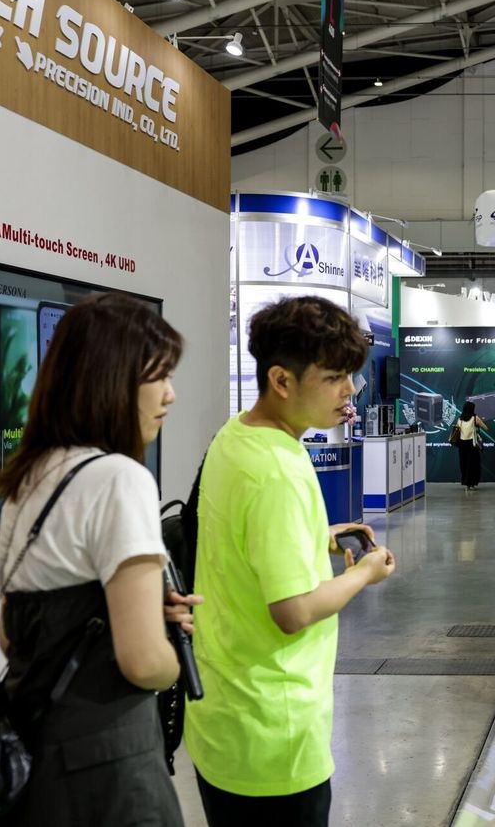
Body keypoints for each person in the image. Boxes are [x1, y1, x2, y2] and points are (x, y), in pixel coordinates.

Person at [185, 295, 396, 826]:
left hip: (223, 720)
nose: (349, 390)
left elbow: (242, 542)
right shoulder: (279, 469)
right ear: (281, 380)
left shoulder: (235, 437)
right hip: (274, 736)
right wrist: (364, 574)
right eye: (333, 377)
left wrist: (316, 535)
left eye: (350, 375)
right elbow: (292, 610)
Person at [0, 292, 200, 826]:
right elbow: (143, 662)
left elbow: (12, 638)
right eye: (160, 376)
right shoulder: (121, 478)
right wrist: (175, 656)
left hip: (36, 755)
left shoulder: (27, 480)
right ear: (114, 380)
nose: (171, 394)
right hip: (111, 766)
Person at [455, 400, 487, 490]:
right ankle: (472, 483)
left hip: (462, 445)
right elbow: (485, 427)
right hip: (472, 444)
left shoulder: (460, 419)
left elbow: (457, 430)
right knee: (473, 464)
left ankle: (466, 484)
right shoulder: (475, 418)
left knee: (464, 464)